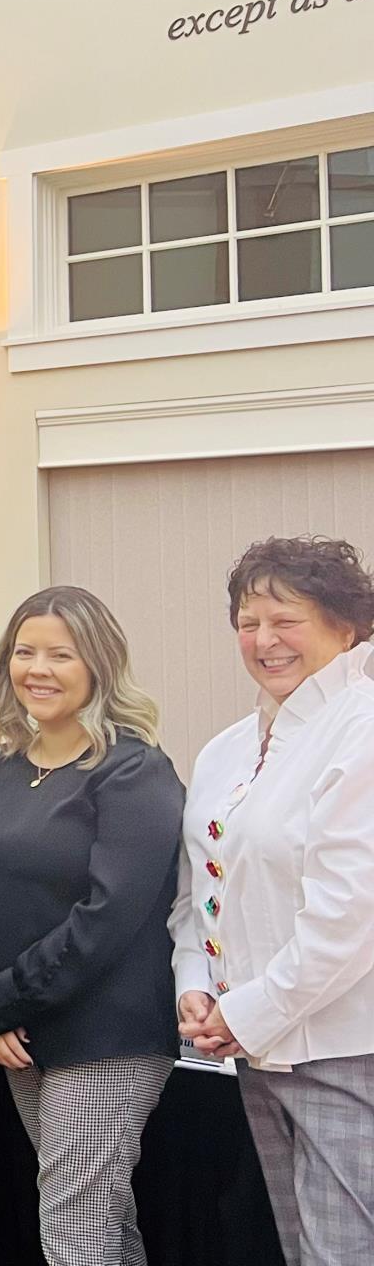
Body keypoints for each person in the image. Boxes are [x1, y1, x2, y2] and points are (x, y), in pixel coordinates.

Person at [0, 584, 182, 1266]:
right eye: (24, 652)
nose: (37, 669)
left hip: (106, 1034)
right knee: (98, 1216)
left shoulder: (135, 771)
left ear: (99, 666)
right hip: (17, 1030)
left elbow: (107, 920)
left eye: (61, 655)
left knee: (75, 1224)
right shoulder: (3, 762)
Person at [172, 536, 374, 1264]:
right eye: (248, 620)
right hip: (256, 1049)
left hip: (348, 1048)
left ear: (347, 625)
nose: (264, 639)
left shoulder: (362, 727)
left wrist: (246, 1011)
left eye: (286, 618)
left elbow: (351, 918)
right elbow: (199, 889)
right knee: (297, 1247)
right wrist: (196, 987)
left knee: (345, 1251)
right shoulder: (227, 747)